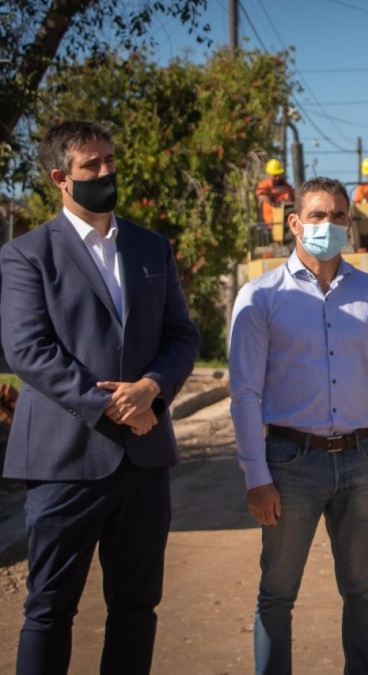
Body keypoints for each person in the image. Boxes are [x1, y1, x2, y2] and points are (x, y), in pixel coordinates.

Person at [0, 119, 200, 675]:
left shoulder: (151, 248)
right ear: (62, 177)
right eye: (93, 166)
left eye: (111, 160)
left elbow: (182, 335)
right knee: (49, 609)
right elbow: (27, 350)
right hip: (65, 460)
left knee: (136, 607)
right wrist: (110, 404)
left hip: (144, 459)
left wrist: (153, 389)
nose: (107, 172)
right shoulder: (27, 254)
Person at [229, 176, 368, 674]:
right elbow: (244, 394)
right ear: (294, 223)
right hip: (289, 464)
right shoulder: (261, 297)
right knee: (278, 593)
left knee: (362, 592)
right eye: (316, 215)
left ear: (350, 224)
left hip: (361, 462)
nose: (327, 225)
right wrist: (256, 477)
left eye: (337, 216)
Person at [255, 158, 295, 229]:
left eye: (278, 174)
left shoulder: (286, 186)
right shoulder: (265, 185)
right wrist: (274, 205)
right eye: (275, 175)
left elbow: (293, 196)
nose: (277, 178)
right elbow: (261, 195)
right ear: (269, 174)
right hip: (271, 221)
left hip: (286, 222)